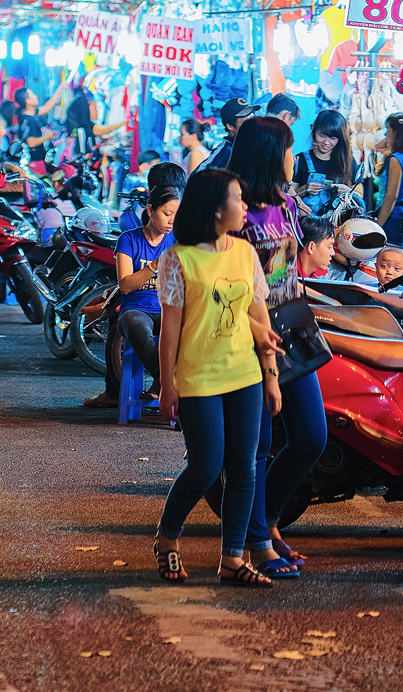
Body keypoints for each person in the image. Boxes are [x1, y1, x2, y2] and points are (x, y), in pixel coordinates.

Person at [152, 168, 284, 586]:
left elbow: (259, 316)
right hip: (199, 378)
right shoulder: (178, 257)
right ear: (214, 209)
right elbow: (169, 329)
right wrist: (167, 384)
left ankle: (232, 557)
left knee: (245, 467)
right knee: (206, 467)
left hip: (244, 372)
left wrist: (271, 375)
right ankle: (168, 538)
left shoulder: (245, 253)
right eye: (237, 199)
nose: (245, 206)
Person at [227, 116, 328, 578]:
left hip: (293, 327)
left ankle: (267, 523)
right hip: (250, 334)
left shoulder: (287, 203)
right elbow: (225, 281)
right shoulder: (234, 210)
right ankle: (256, 542)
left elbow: (288, 268)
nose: (295, 158)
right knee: (258, 445)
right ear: (271, 155)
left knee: (311, 437)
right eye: (289, 149)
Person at [101, 183, 179, 408]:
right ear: (150, 210)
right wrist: (154, 266)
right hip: (136, 309)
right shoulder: (128, 239)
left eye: (176, 215)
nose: (171, 221)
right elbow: (125, 285)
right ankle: (169, 383)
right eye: (167, 214)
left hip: (168, 307)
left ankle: (168, 386)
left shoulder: (176, 241)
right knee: (137, 327)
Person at [293, 110, 354, 216]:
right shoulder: (300, 160)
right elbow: (290, 197)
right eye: (322, 135)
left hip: (337, 224)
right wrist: (304, 189)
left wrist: (348, 192)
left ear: (340, 139)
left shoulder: (348, 162)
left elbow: (360, 196)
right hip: (306, 224)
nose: (326, 142)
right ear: (314, 131)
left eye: (332, 138)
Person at [371, 111, 403, 247]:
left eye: (388, 130)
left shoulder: (396, 159)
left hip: (392, 218)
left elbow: (391, 196)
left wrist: (378, 226)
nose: (385, 135)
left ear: (397, 133)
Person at [201, 98, 256, 171]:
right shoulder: (225, 152)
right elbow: (201, 175)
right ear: (230, 126)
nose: (252, 124)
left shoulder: (246, 147)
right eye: (246, 120)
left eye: (251, 117)